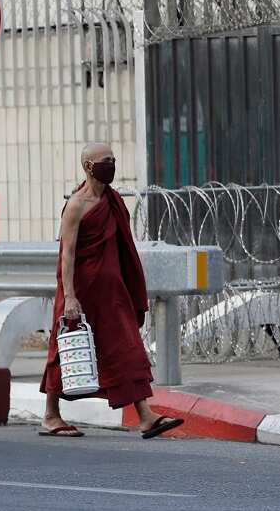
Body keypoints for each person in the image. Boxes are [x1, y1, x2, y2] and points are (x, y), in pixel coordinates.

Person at [39, 143, 184, 440]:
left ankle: (145, 416)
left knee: (126, 349)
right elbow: (67, 254)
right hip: (81, 291)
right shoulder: (77, 205)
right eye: (106, 161)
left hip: (112, 292)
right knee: (65, 351)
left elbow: (122, 248)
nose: (112, 165)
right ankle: (51, 415)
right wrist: (70, 297)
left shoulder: (114, 201)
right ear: (88, 166)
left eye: (114, 160)